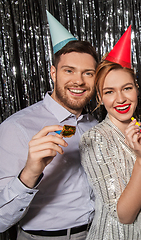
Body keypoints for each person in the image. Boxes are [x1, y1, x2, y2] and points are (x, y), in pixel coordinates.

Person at [0, 11, 98, 240]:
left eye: (88, 73)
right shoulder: (17, 128)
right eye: (69, 71)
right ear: (53, 72)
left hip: (97, 233)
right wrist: (30, 172)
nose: (79, 81)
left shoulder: (95, 124)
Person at [79, 26, 141, 240]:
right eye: (109, 92)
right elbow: (124, 215)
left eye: (127, 88)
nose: (121, 99)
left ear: (137, 88)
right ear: (100, 97)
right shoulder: (94, 139)